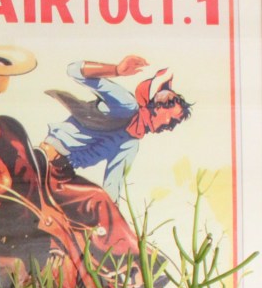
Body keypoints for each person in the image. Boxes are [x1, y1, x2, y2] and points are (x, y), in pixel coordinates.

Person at [41, 55, 192, 203]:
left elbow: (112, 186)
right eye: (172, 119)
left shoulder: (131, 144)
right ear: (158, 107)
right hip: (45, 158)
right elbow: (74, 71)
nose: (170, 126)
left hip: (62, 176)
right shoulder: (126, 104)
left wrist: (112, 212)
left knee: (94, 204)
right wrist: (116, 70)